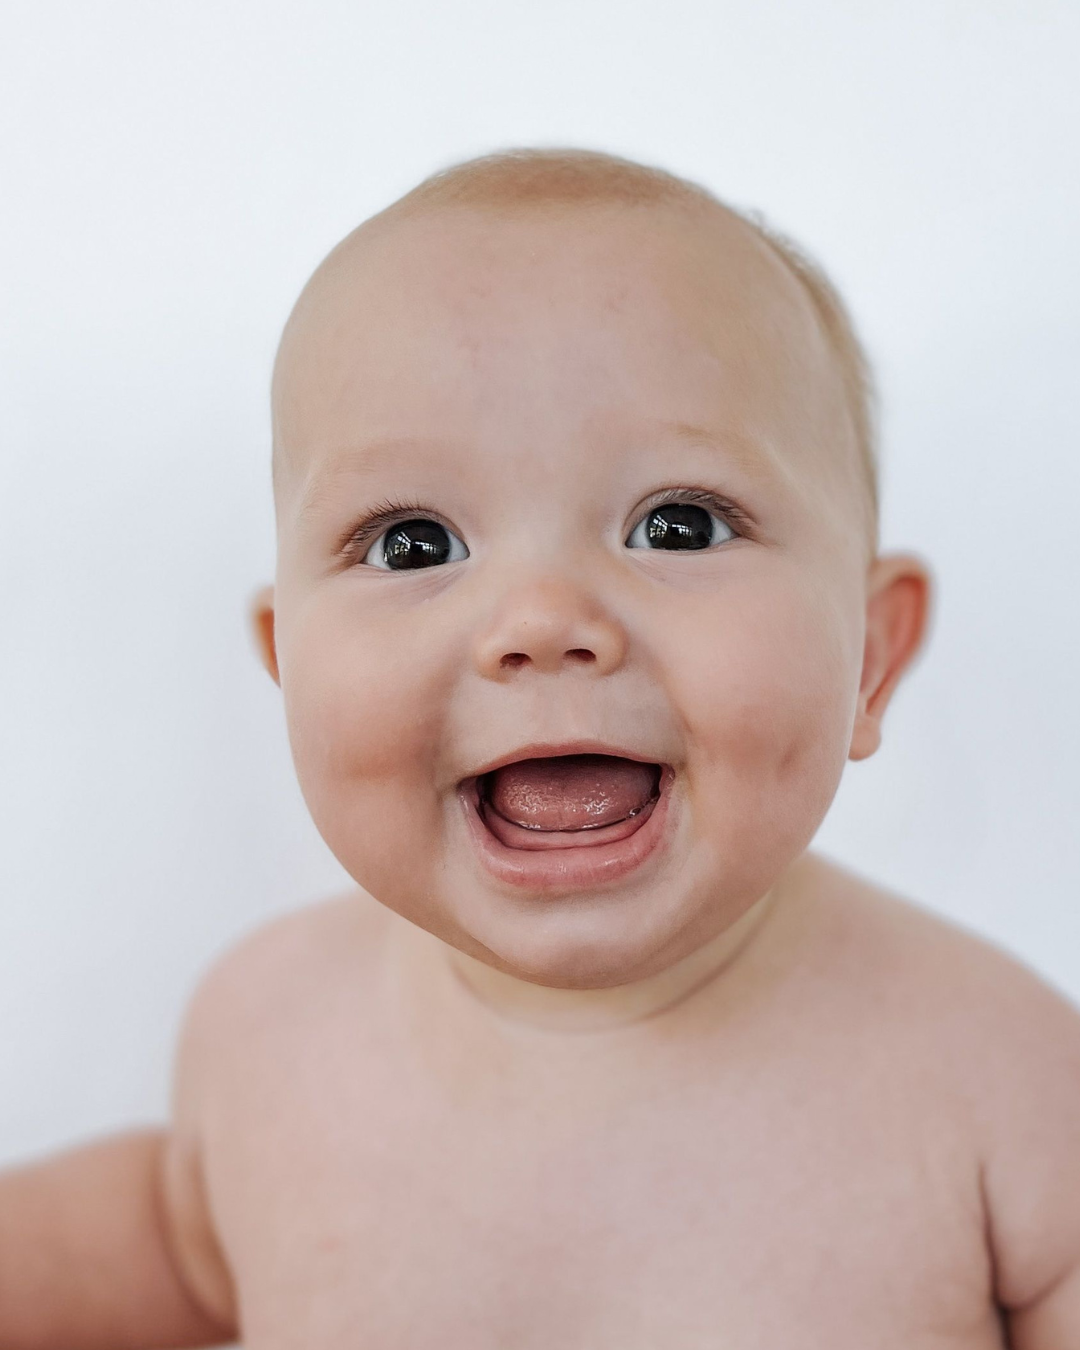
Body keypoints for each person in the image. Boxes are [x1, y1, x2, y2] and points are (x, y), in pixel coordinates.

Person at [3, 146, 1078, 1349]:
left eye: (679, 524)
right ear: (288, 662)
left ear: (869, 659)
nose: (542, 622)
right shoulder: (268, 1033)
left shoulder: (1011, 1092)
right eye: (413, 544)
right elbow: (175, 1244)